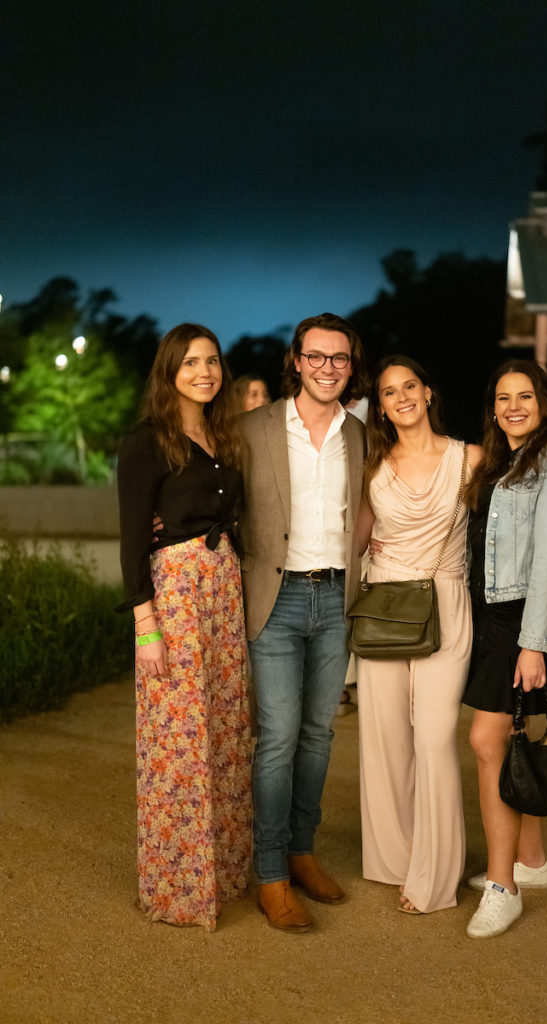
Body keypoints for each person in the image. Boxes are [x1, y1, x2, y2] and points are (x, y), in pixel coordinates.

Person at [117, 323, 252, 930]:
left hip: (223, 585)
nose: (205, 371)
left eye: (213, 361)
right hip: (174, 594)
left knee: (223, 728)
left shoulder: (224, 435)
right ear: (169, 369)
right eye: (191, 362)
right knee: (177, 740)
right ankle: (178, 887)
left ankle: (223, 872)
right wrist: (145, 626)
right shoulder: (147, 442)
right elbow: (130, 540)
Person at [239, 312, 366, 932]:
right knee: (280, 737)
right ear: (295, 360)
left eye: (338, 359)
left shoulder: (361, 433)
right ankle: (269, 874)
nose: (327, 368)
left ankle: (302, 850)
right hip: (276, 599)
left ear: (350, 366)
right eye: (316, 357)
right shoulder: (253, 428)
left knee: (320, 734)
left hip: (337, 599)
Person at [463, 359, 547, 939]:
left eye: (525, 396)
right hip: (494, 609)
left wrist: (534, 643)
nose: (513, 406)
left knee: (486, 739)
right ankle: (531, 862)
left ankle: (502, 887)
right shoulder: (504, 459)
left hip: (521, 615)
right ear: (493, 407)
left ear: (544, 402)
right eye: (503, 397)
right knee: (515, 731)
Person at [354, 356, 482, 915]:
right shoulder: (372, 462)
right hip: (383, 602)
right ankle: (394, 859)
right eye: (389, 391)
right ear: (379, 406)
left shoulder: (471, 458)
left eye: (410, 386)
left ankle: (435, 877)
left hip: (446, 604)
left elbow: (514, 513)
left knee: (432, 739)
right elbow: (351, 537)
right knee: (383, 738)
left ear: (428, 393)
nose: (401, 397)